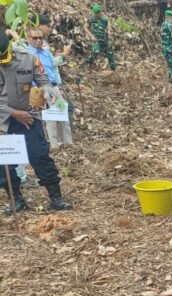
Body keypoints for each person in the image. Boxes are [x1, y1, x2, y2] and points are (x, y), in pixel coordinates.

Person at [0, 29, 72, 216]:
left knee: (39, 155)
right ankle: (16, 199)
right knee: (3, 163)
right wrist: (14, 113)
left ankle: (56, 197)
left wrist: (47, 94)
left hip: (29, 116)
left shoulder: (28, 58)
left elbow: (44, 80)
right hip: (3, 120)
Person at [27, 27, 73, 149]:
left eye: (40, 38)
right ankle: (54, 146)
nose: (38, 40)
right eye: (35, 38)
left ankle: (67, 142)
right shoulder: (28, 54)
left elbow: (52, 70)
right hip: (41, 88)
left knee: (63, 112)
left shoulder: (46, 53)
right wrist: (37, 92)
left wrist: (58, 87)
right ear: (29, 39)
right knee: (50, 117)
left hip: (53, 86)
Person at [85, 4, 116, 71]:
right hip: (96, 39)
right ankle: (88, 63)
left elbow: (108, 26)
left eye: (99, 13)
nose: (98, 14)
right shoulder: (91, 19)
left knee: (110, 55)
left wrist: (109, 32)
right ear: (94, 13)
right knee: (96, 51)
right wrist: (91, 36)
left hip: (104, 39)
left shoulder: (104, 20)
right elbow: (85, 27)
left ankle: (113, 70)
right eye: (96, 13)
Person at [161, 9, 172, 83]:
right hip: (170, 48)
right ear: (170, 17)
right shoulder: (170, 25)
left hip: (164, 47)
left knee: (170, 64)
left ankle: (170, 79)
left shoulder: (163, 24)